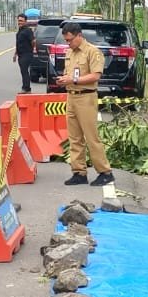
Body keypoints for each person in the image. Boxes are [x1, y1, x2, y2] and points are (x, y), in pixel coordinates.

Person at [59, 20, 114, 187]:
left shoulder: (92, 52)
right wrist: (64, 79)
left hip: (86, 97)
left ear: (79, 36)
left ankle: (105, 172)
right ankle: (79, 172)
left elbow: (96, 76)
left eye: (70, 40)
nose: (68, 43)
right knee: (74, 137)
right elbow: (69, 73)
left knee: (91, 137)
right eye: (66, 40)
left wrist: (73, 79)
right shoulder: (70, 52)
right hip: (71, 97)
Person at [13, 12, 36, 93]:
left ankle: (26, 88)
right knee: (23, 71)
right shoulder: (20, 31)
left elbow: (33, 41)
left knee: (24, 71)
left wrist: (32, 49)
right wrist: (15, 54)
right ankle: (26, 88)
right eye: (19, 20)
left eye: (22, 21)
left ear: (25, 21)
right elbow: (18, 43)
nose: (20, 22)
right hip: (21, 55)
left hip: (27, 54)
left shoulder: (28, 31)